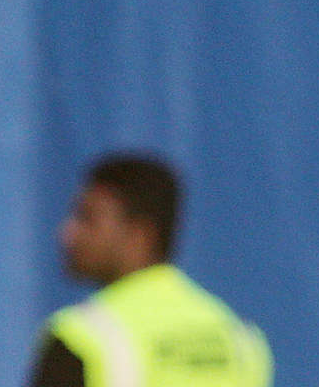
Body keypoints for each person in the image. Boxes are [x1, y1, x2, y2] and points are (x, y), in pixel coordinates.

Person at [26, 155, 272, 387]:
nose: (67, 233)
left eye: (88, 218)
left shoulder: (80, 338)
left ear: (140, 234)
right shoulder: (240, 340)